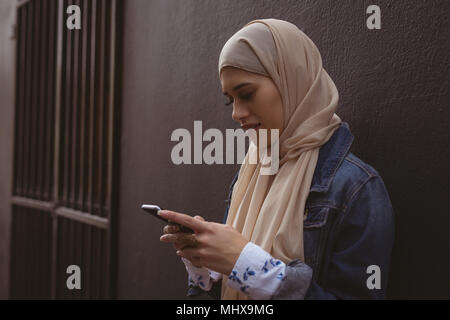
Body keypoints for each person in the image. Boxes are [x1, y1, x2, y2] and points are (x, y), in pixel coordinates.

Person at [159, 18, 395, 300]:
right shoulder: (252, 172)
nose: (236, 113)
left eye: (246, 94)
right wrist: (205, 266)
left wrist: (251, 268)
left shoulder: (356, 189)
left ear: (291, 81)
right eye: (230, 100)